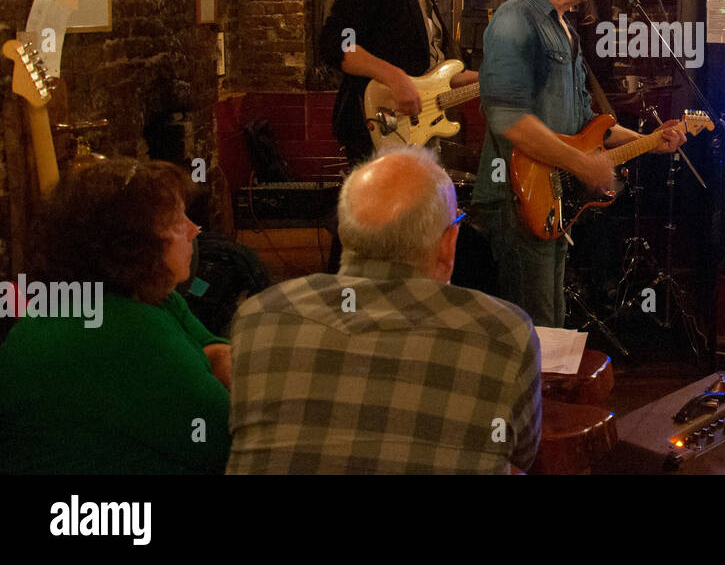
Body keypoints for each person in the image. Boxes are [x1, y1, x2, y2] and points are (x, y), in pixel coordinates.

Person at [227, 147, 541, 474]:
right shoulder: (505, 334)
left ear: (345, 232)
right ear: (450, 245)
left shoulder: (258, 318)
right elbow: (522, 457)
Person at [471, 0, 685, 327]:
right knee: (535, 328)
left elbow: (587, 122)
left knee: (549, 324)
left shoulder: (564, 27)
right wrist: (583, 164)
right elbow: (508, 118)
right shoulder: (516, 20)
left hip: (550, 197)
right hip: (518, 198)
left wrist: (648, 139)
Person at [0, 158, 231, 474]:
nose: (194, 229)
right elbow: (227, 439)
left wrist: (212, 362)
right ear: (132, 242)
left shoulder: (146, 296)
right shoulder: (122, 330)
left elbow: (217, 352)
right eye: (177, 220)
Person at [319, 0, 477, 165]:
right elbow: (335, 44)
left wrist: (486, 80)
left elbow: (436, 72)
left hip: (420, 130)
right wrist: (394, 77)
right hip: (380, 126)